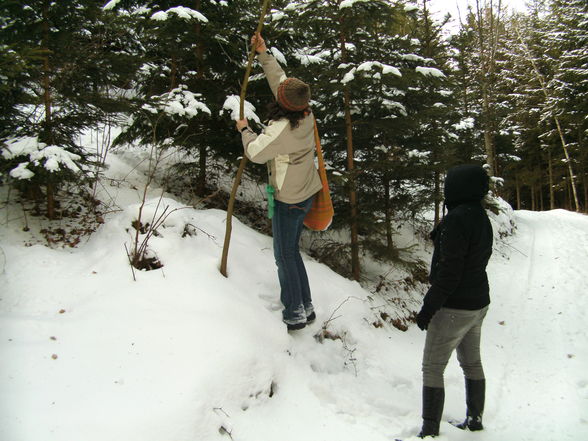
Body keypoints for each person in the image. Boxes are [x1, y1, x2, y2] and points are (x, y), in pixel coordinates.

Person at [236, 33, 322, 331]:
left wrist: (245, 130)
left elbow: (256, 152)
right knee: (291, 251)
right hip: (305, 191)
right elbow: (282, 82)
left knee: (283, 255)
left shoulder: (281, 130)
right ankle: (305, 307)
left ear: (283, 104)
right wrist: (263, 53)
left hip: (289, 199)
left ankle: (294, 313)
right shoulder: (305, 112)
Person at [415, 164, 493, 438]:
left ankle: (429, 431)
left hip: (454, 307)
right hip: (478, 303)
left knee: (432, 367)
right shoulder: (480, 216)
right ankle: (474, 420)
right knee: (472, 362)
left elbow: (449, 271)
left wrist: (428, 308)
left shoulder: (457, 219)